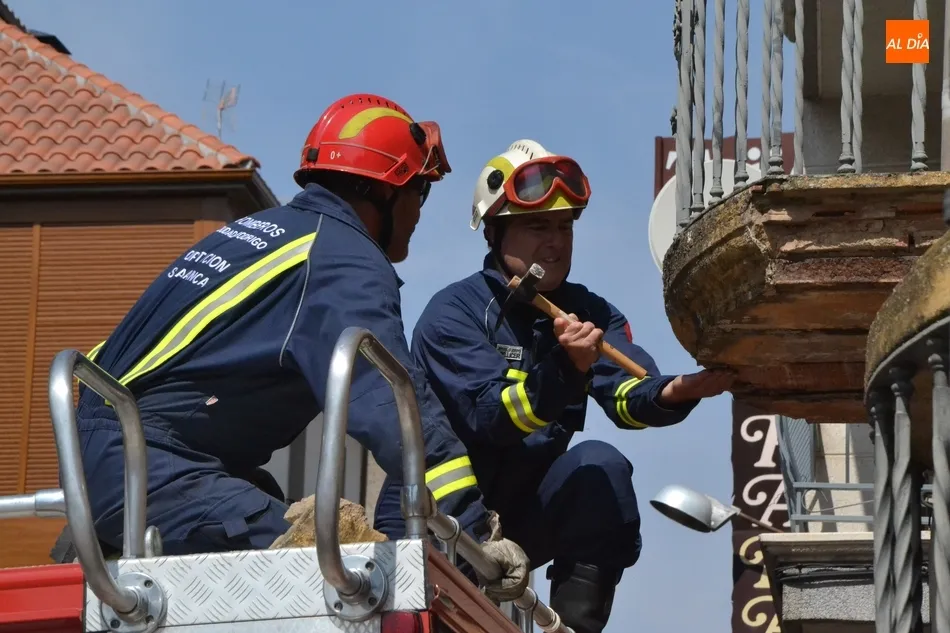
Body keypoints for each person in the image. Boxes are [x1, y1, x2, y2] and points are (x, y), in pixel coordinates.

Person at [51, 94, 528, 602]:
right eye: (419, 192)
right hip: (150, 463)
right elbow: (395, 410)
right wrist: (476, 532)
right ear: (381, 191)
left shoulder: (260, 235)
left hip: (121, 451)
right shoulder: (344, 260)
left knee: (283, 513)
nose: (419, 212)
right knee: (334, 576)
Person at [409, 139, 735, 633]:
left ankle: (573, 628)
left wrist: (678, 391)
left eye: (565, 226)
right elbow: (491, 417)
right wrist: (564, 369)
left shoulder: (590, 313)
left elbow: (628, 393)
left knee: (599, 467)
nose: (557, 242)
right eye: (538, 225)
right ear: (495, 232)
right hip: (439, 526)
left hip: (521, 518)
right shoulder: (454, 314)